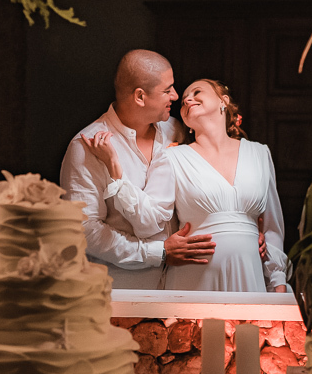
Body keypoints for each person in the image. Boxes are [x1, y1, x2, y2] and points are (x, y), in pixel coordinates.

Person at [88, 79, 289, 292]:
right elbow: (148, 221)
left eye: (197, 92)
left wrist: (278, 282)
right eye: (184, 102)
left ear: (224, 101)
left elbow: (272, 227)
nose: (188, 100)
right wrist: (116, 171)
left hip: (248, 274)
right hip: (196, 276)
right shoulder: (172, 157)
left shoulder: (259, 154)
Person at [60, 50, 217, 289]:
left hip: (185, 284)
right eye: (167, 90)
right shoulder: (86, 146)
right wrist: (157, 252)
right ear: (140, 97)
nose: (176, 96)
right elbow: (85, 230)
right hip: (122, 290)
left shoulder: (178, 131)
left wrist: (242, 227)